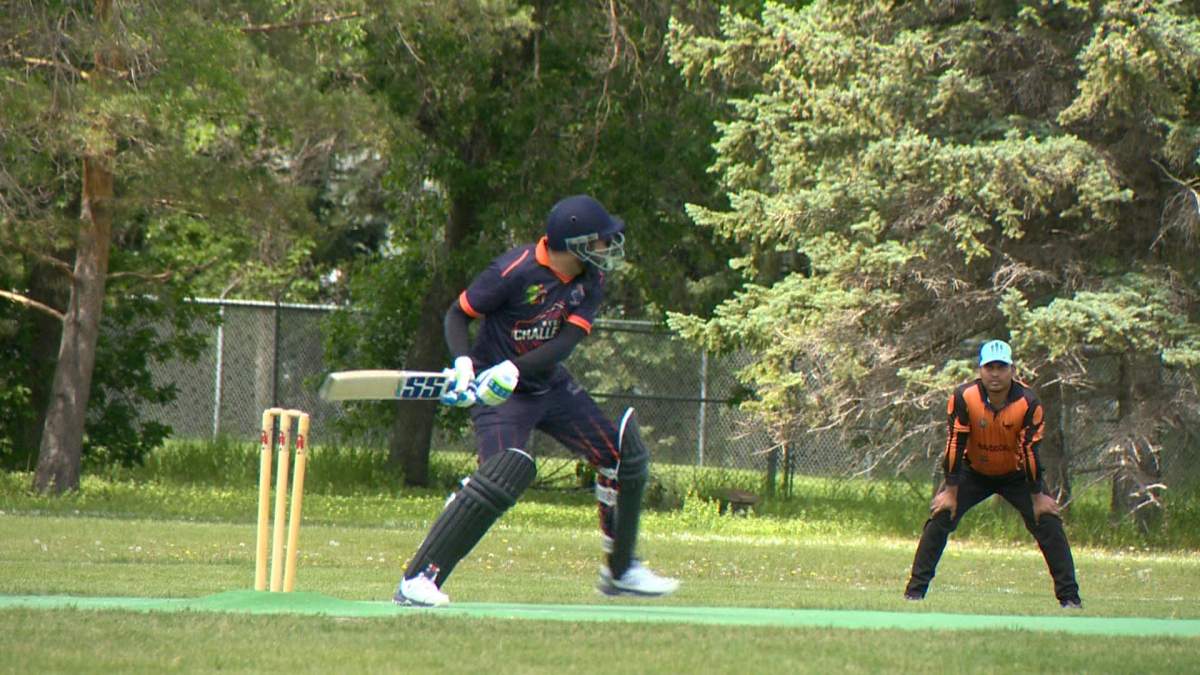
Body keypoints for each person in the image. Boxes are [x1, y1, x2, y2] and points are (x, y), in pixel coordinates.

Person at [393, 194, 680, 607]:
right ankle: (418, 580)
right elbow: (457, 315)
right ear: (576, 243)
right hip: (498, 397)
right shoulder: (512, 270)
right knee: (496, 479)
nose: (607, 248)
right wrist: (463, 364)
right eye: (600, 240)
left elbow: (565, 342)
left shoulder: (590, 279)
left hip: (549, 386)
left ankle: (621, 572)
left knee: (620, 457)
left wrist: (517, 368)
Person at [903, 339, 1082, 609]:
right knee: (941, 516)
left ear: (1012, 369)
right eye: (989, 367)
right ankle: (914, 594)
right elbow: (955, 443)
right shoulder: (964, 397)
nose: (995, 373)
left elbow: (1030, 452)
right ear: (980, 370)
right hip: (973, 471)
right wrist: (950, 492)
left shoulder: (1029, 402)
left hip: (1016, 473)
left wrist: (1037, 498)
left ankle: (1070, 599)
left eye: (1001, 367)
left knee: (1049, 523)